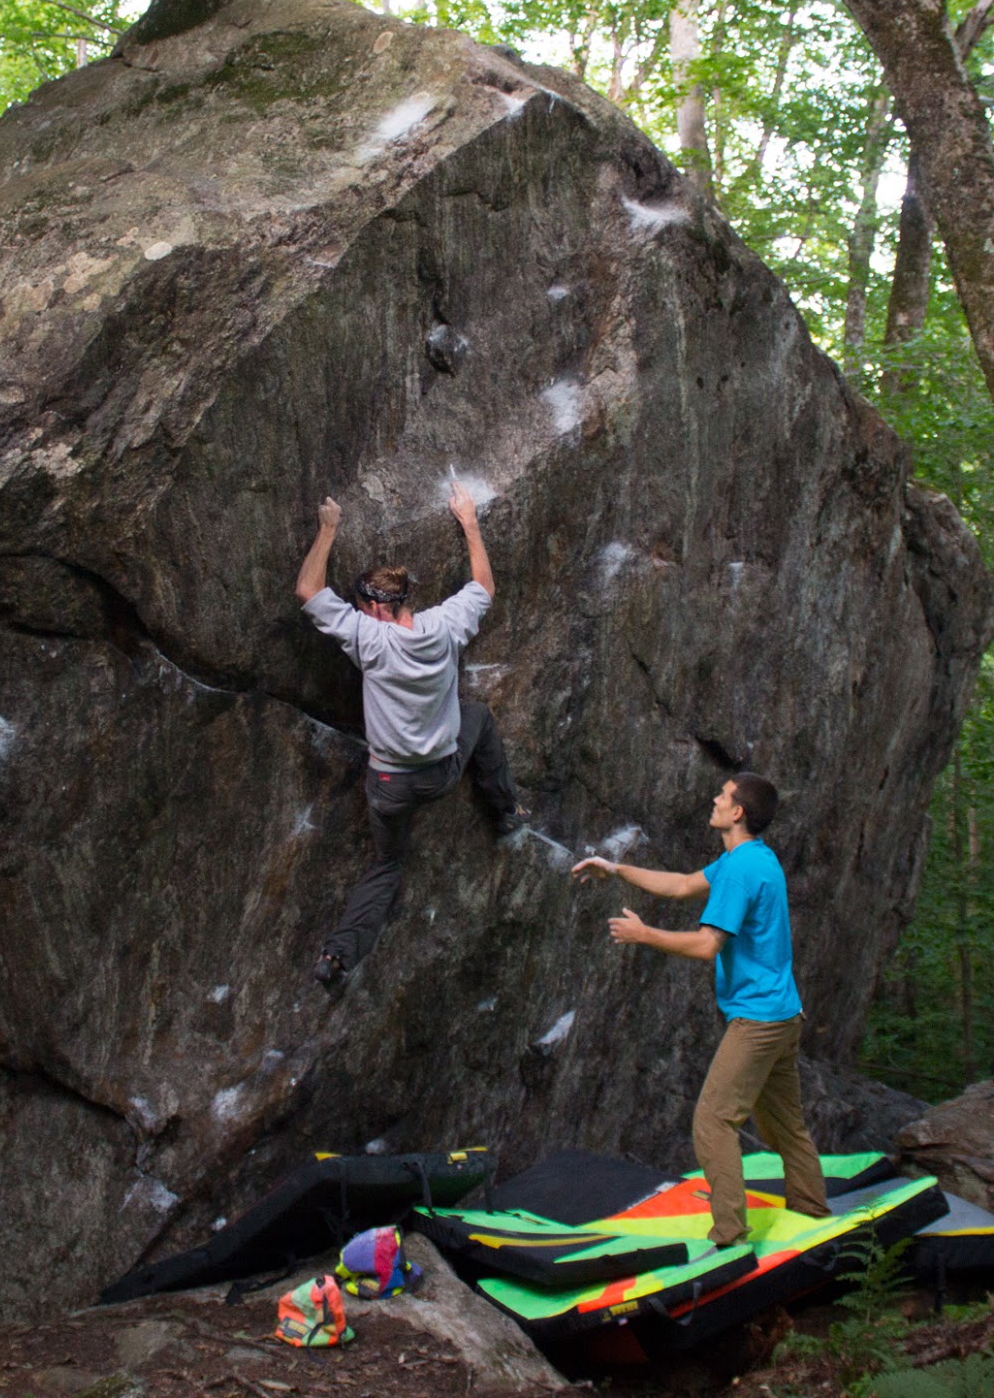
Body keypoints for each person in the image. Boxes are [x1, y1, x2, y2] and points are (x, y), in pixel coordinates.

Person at [572, 774, 829, 1247]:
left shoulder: (741, 869)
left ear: (738, 813)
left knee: (713, 1122)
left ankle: (730, 1236)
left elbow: (708, 944)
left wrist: (644, 935)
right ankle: (812, 1212)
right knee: (784, 1124)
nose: (714, 798)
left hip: (758, 1021)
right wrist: (616, 869)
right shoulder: (752, 858)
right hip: (784, 1014)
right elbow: (683, 885)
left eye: (723, 795)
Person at [295, 484, 527, 989]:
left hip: (389, 784)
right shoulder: (444, 628)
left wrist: (329, 528)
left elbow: (309, 591)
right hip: (441, 771)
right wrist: (469, 520)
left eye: (360, 606)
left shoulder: (369, 641)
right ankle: (506, 813)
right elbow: (484, 585)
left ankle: (336, 957)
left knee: (387, 864)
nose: (356, 614)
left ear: (377, 611)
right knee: (478, 718)